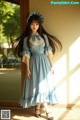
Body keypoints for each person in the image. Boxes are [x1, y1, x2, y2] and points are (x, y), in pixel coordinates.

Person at [14, 11, 62, 120]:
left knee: (43, 86)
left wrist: (52, 65)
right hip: (33, 64)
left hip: (44, 63)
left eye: (36, 24)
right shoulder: (26, 39)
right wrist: (28, 69)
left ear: (39, 25)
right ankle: (47, 111)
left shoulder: (44, 37)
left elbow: (48, 52)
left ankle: (38, 108)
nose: (34, 26)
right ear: (29, 25)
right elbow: (27, 55)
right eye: (32, 24)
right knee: (38, 86)